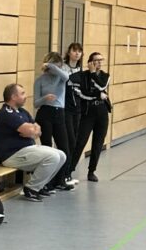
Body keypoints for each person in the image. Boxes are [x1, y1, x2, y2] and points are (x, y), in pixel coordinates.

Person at [0, 83, 66, 202]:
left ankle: (40, 185)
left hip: (27, 150)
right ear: (13, 97)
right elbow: (32, 130)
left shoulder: (22, 111)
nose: (26, 96)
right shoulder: (6, 113)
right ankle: (31, 189)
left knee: (61, 155)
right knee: (53, 157)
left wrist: (32, 130)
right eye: (22, 93)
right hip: (13, 155)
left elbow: (38, 130)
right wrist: (31, 130)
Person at [33, 52, 74, 192]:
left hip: (59, 113)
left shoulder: (61, 78)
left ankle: (60, 179)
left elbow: (66, 77)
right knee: (47, 148)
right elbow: (35, 103)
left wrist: (53, 66)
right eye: (53, 65)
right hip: (45, 112)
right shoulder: (40, 80)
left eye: (58, 66)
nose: (55, 69)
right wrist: (45, 98)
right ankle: (46, 182)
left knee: (64, 148)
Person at [69, 52, 111, 182]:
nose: (99, 62)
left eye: (101, 60)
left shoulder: (105, 76)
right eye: (96, 60)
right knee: (80, 141)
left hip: (102, 112)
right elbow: (82, 93)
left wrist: (93, 74)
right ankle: (69, 170)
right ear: (90, 62)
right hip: (88, 112)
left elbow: (101, 86)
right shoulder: (82, 76)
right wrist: (97, 95)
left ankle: (91, 171)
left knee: (98, 143)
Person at [62, 42, 83, 185]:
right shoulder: (63, 67)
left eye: (79, 51)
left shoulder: (81, 70)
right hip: (66, 109)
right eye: (74, 51)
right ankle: (64, 174)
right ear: (69, 52)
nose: (77, 53)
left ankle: (68, 173)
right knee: (69, 141)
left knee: (75, 141)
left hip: (78, 110)